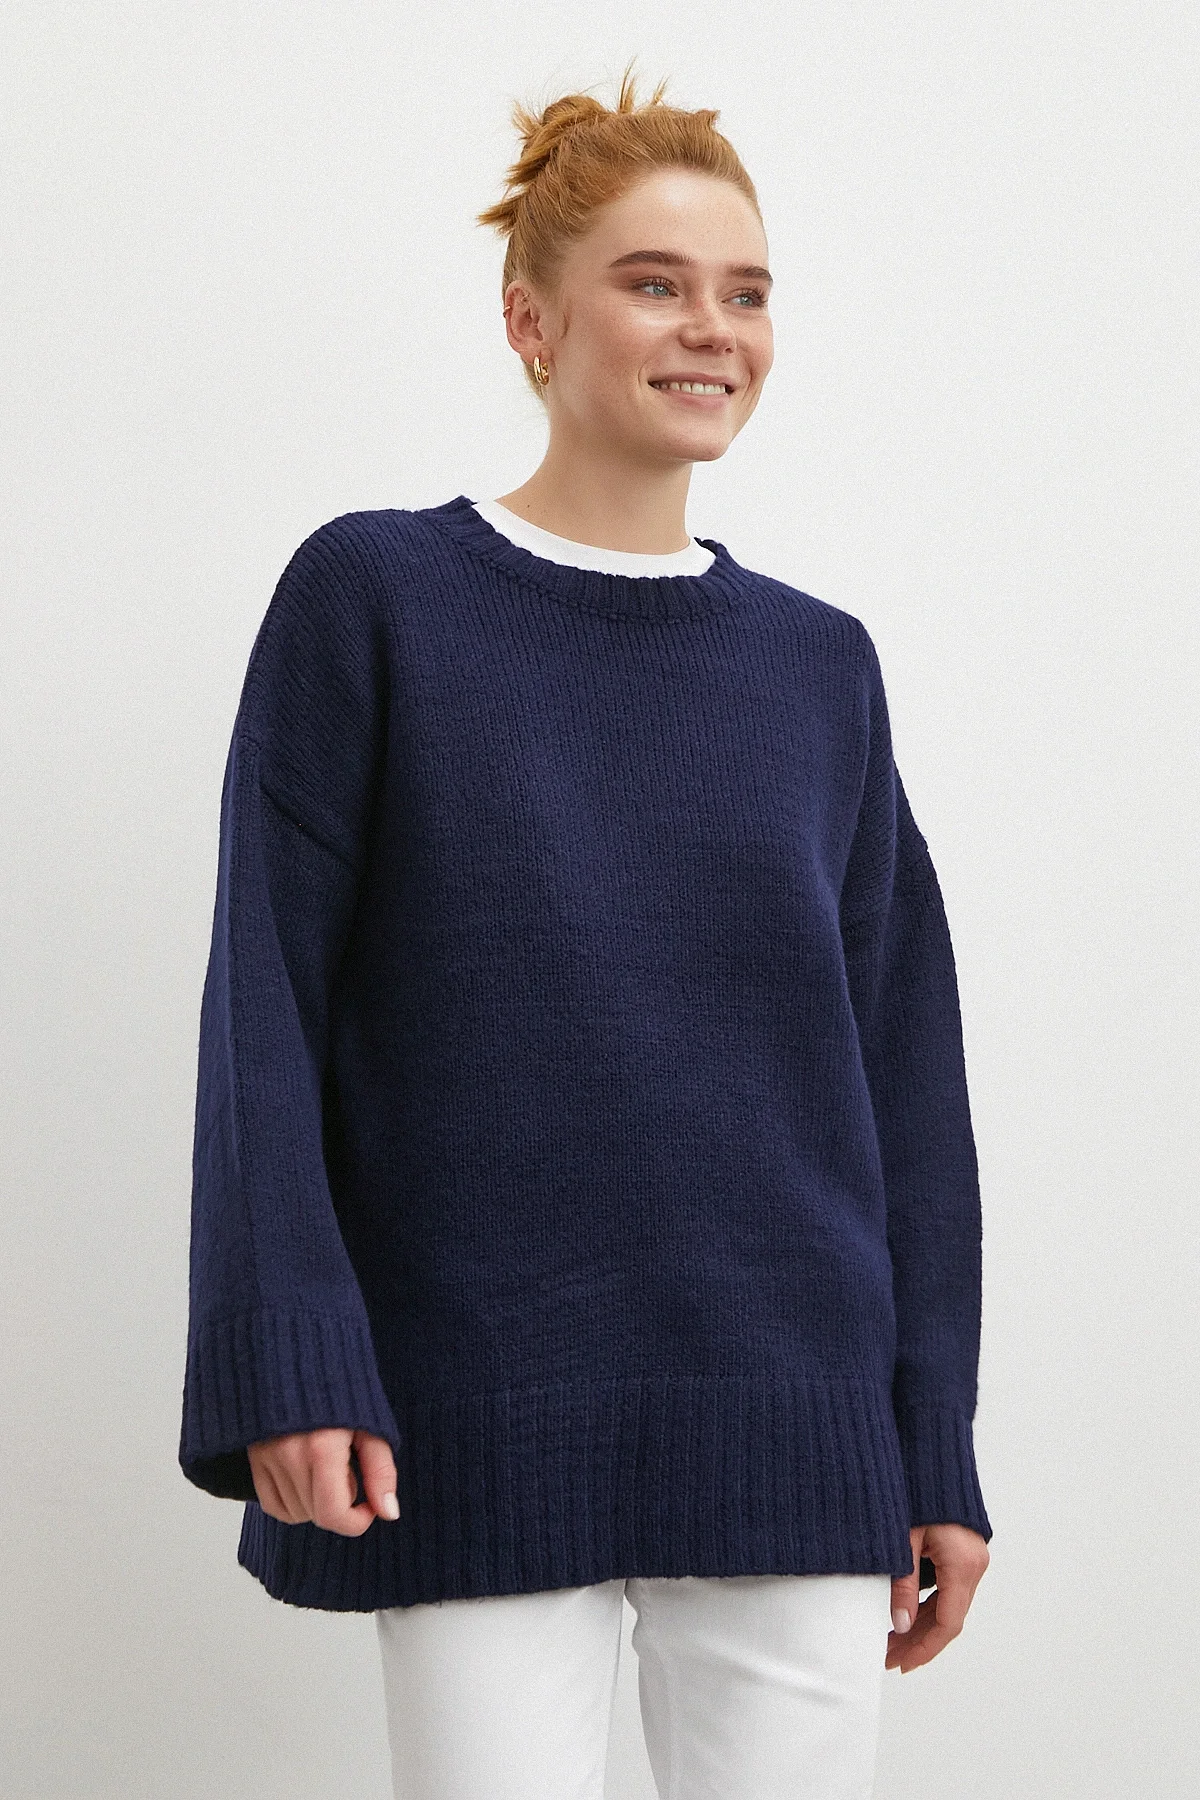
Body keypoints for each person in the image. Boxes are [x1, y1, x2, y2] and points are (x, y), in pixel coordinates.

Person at [179, 63, 992, 1800]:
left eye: (746, 292)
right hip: (476, 1402)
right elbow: (265, 1007)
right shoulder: (376, 599)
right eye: (655, 282)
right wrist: (292, 1354)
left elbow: (904, 1072)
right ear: (529, 320)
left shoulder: (820, 667)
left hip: (794, 1420)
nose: (713, 329)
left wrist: (932, 1434)